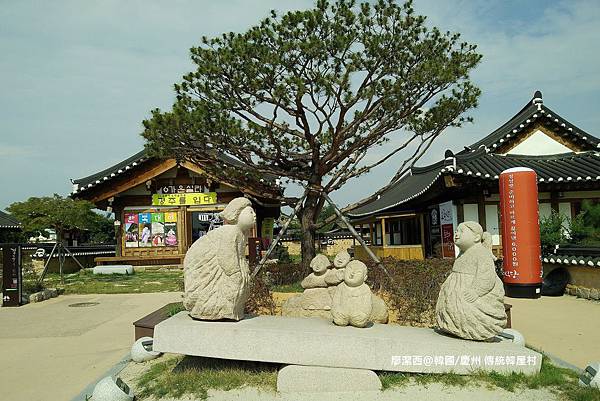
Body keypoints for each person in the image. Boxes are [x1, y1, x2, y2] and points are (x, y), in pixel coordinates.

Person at [183, 197, 255, 321]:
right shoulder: (231, 231)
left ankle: (229, 310)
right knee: (220, 289)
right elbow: (226, 256)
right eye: (250, 212)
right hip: (213, 266)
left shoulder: (241, 233)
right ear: (236, 214)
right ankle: (215, 309)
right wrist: (235, 273)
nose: (254, 215)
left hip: (227, 265)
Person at [435, 222, 507, 341]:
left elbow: (487, 276)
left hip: (470, 294)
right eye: (456, 231)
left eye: (462, 231)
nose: (457, 234)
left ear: (476, 237)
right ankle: (454, 326)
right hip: (455, 293)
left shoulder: (481, 253)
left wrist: (476, 291)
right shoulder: (462, 254)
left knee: (470, 313)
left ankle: (475, 330)